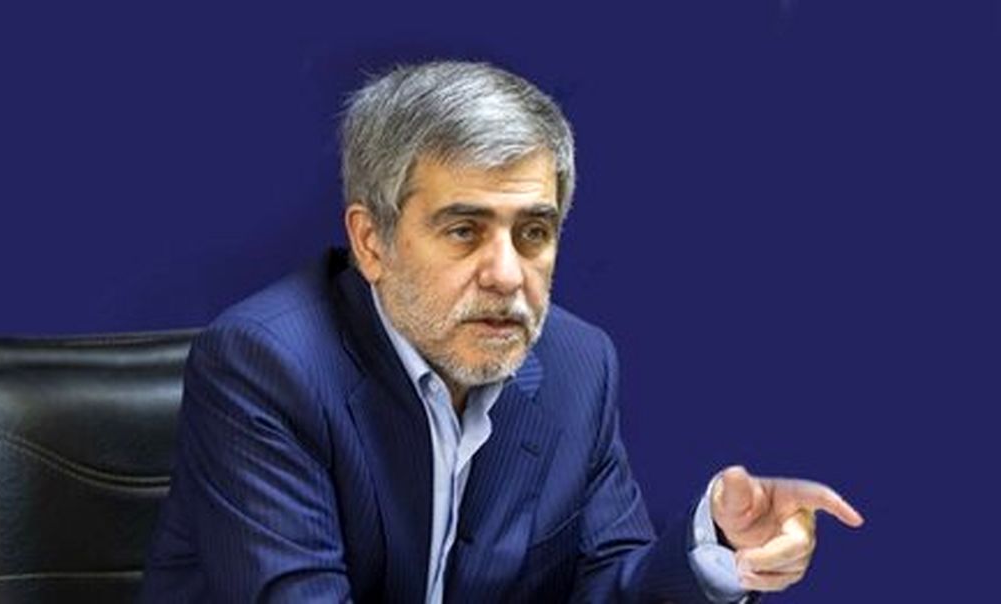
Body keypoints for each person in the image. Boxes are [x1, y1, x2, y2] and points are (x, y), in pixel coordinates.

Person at [140, 61, 863, 603]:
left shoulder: (578, 365)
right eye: (464, 230)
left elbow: (609, 581)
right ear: (371, 242)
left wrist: (721, 548)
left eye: (534, 232)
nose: (508, 275)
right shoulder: (266, 365)